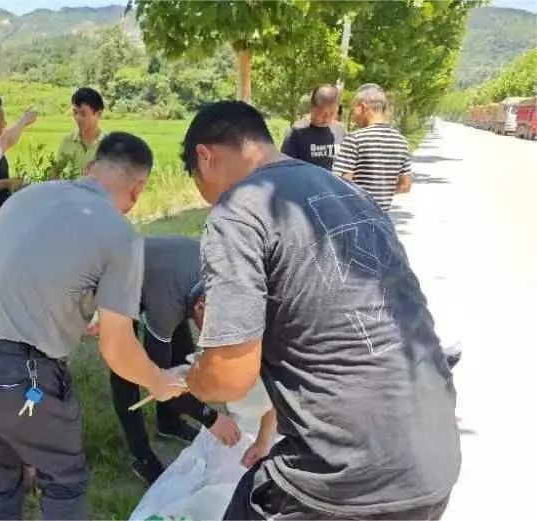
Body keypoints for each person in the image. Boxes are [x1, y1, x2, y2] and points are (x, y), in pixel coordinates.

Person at [180, 101, 460, 520]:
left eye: (198, 182)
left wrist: (193, 378)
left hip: (346, 478)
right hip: (433, 458)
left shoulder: (239, 209)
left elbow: (229, 377)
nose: (206, 197)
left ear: (206, 156)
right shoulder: (351, 194)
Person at [0, 132, 185, 520]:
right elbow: (117, 349)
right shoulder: (121, 234)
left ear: (90, 168)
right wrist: (158, 381)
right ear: (138, 189)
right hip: (13, 376)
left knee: (3, 468)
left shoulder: (28, 196)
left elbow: (12, 274)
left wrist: (70, 319)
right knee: (64, 480)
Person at [109, 236, 241, 486]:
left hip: (165, 277)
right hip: (119, 282)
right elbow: (159, 382)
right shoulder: (168, 303)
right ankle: (141, 456)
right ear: (200, 308)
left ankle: (169, 423)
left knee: (181, 352)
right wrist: (212, 419)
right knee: (126, 370)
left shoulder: (221, 277)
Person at [333, 83, 413, 211]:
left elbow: (342, 185)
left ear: (363, 106)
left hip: (356, 216)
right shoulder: (401, 141)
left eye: (354, 110)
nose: (353, 117)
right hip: (382, 218)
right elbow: (405, 186)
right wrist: (382, 193)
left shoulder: (355, 139)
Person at [281, 84, 346, 170]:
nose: (327, 118)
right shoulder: (297, 131)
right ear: (313, 107)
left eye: (332, 113)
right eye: (323, 114)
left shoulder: (340, 130)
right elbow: (285, 165)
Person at [55, 87, 105, 178]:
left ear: (98, 114)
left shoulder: (109, 145)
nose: (77, 118)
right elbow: (55, 173)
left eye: (83, 113)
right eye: (75, 112)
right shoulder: (67, 141)